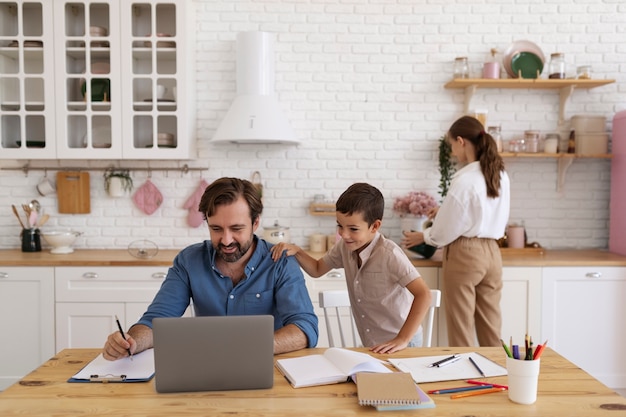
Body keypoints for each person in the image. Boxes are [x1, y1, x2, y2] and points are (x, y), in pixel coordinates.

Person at [102, 177, 318, 360]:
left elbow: (305, 328)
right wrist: (131, 343)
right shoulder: (189, 261)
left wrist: (246, 349)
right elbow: (155, 322)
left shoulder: (280, 261)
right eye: (216, 228)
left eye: (236, 229)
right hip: (206, 369)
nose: (226, 240)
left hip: (269, 367)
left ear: (255, 223)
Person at [270, 182, 432, 354]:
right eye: (340, 225)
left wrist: (403, 339)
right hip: (373, 345)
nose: (344, 234)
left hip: (402, 344)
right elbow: (317, 270)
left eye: (353, 229)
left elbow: (424, 294)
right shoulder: (344, 248)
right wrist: (297, 251)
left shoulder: (390, 254)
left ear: (375, 226)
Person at [401, 115, 510, 347]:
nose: (453, 152)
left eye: (452, 145)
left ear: (461, 141)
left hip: (466, 254)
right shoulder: (500, 174)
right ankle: (497, 377)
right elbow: (480, 212)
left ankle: (465, 379)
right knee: (491, 327)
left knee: (461, 329)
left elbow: (445, 232)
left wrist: (424, 236)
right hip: (493, 252)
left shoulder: (465, 179)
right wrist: (444, 210)